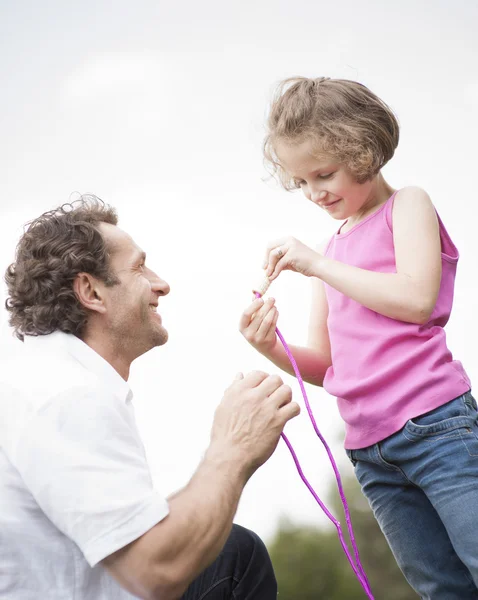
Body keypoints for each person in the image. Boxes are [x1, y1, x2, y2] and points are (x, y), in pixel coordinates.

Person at [239, 77, 476, 599]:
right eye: (301, 182)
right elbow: (326, 367)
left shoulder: (406, 206)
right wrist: (268, 346)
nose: (315, 192)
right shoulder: (330, 251)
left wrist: (320, 265)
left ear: (364, 149)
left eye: (324, 173)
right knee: (440, 586)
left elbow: (416, 299)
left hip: (435, 425)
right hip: (370, 450)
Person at [0, 196, 300, 600]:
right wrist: (234, 447)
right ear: (91, 291)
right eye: (140, 267)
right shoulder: (66, 396)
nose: (162, 284)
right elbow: (155, 571)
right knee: (233, 555)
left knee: (233, 551)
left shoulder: (48, 378)